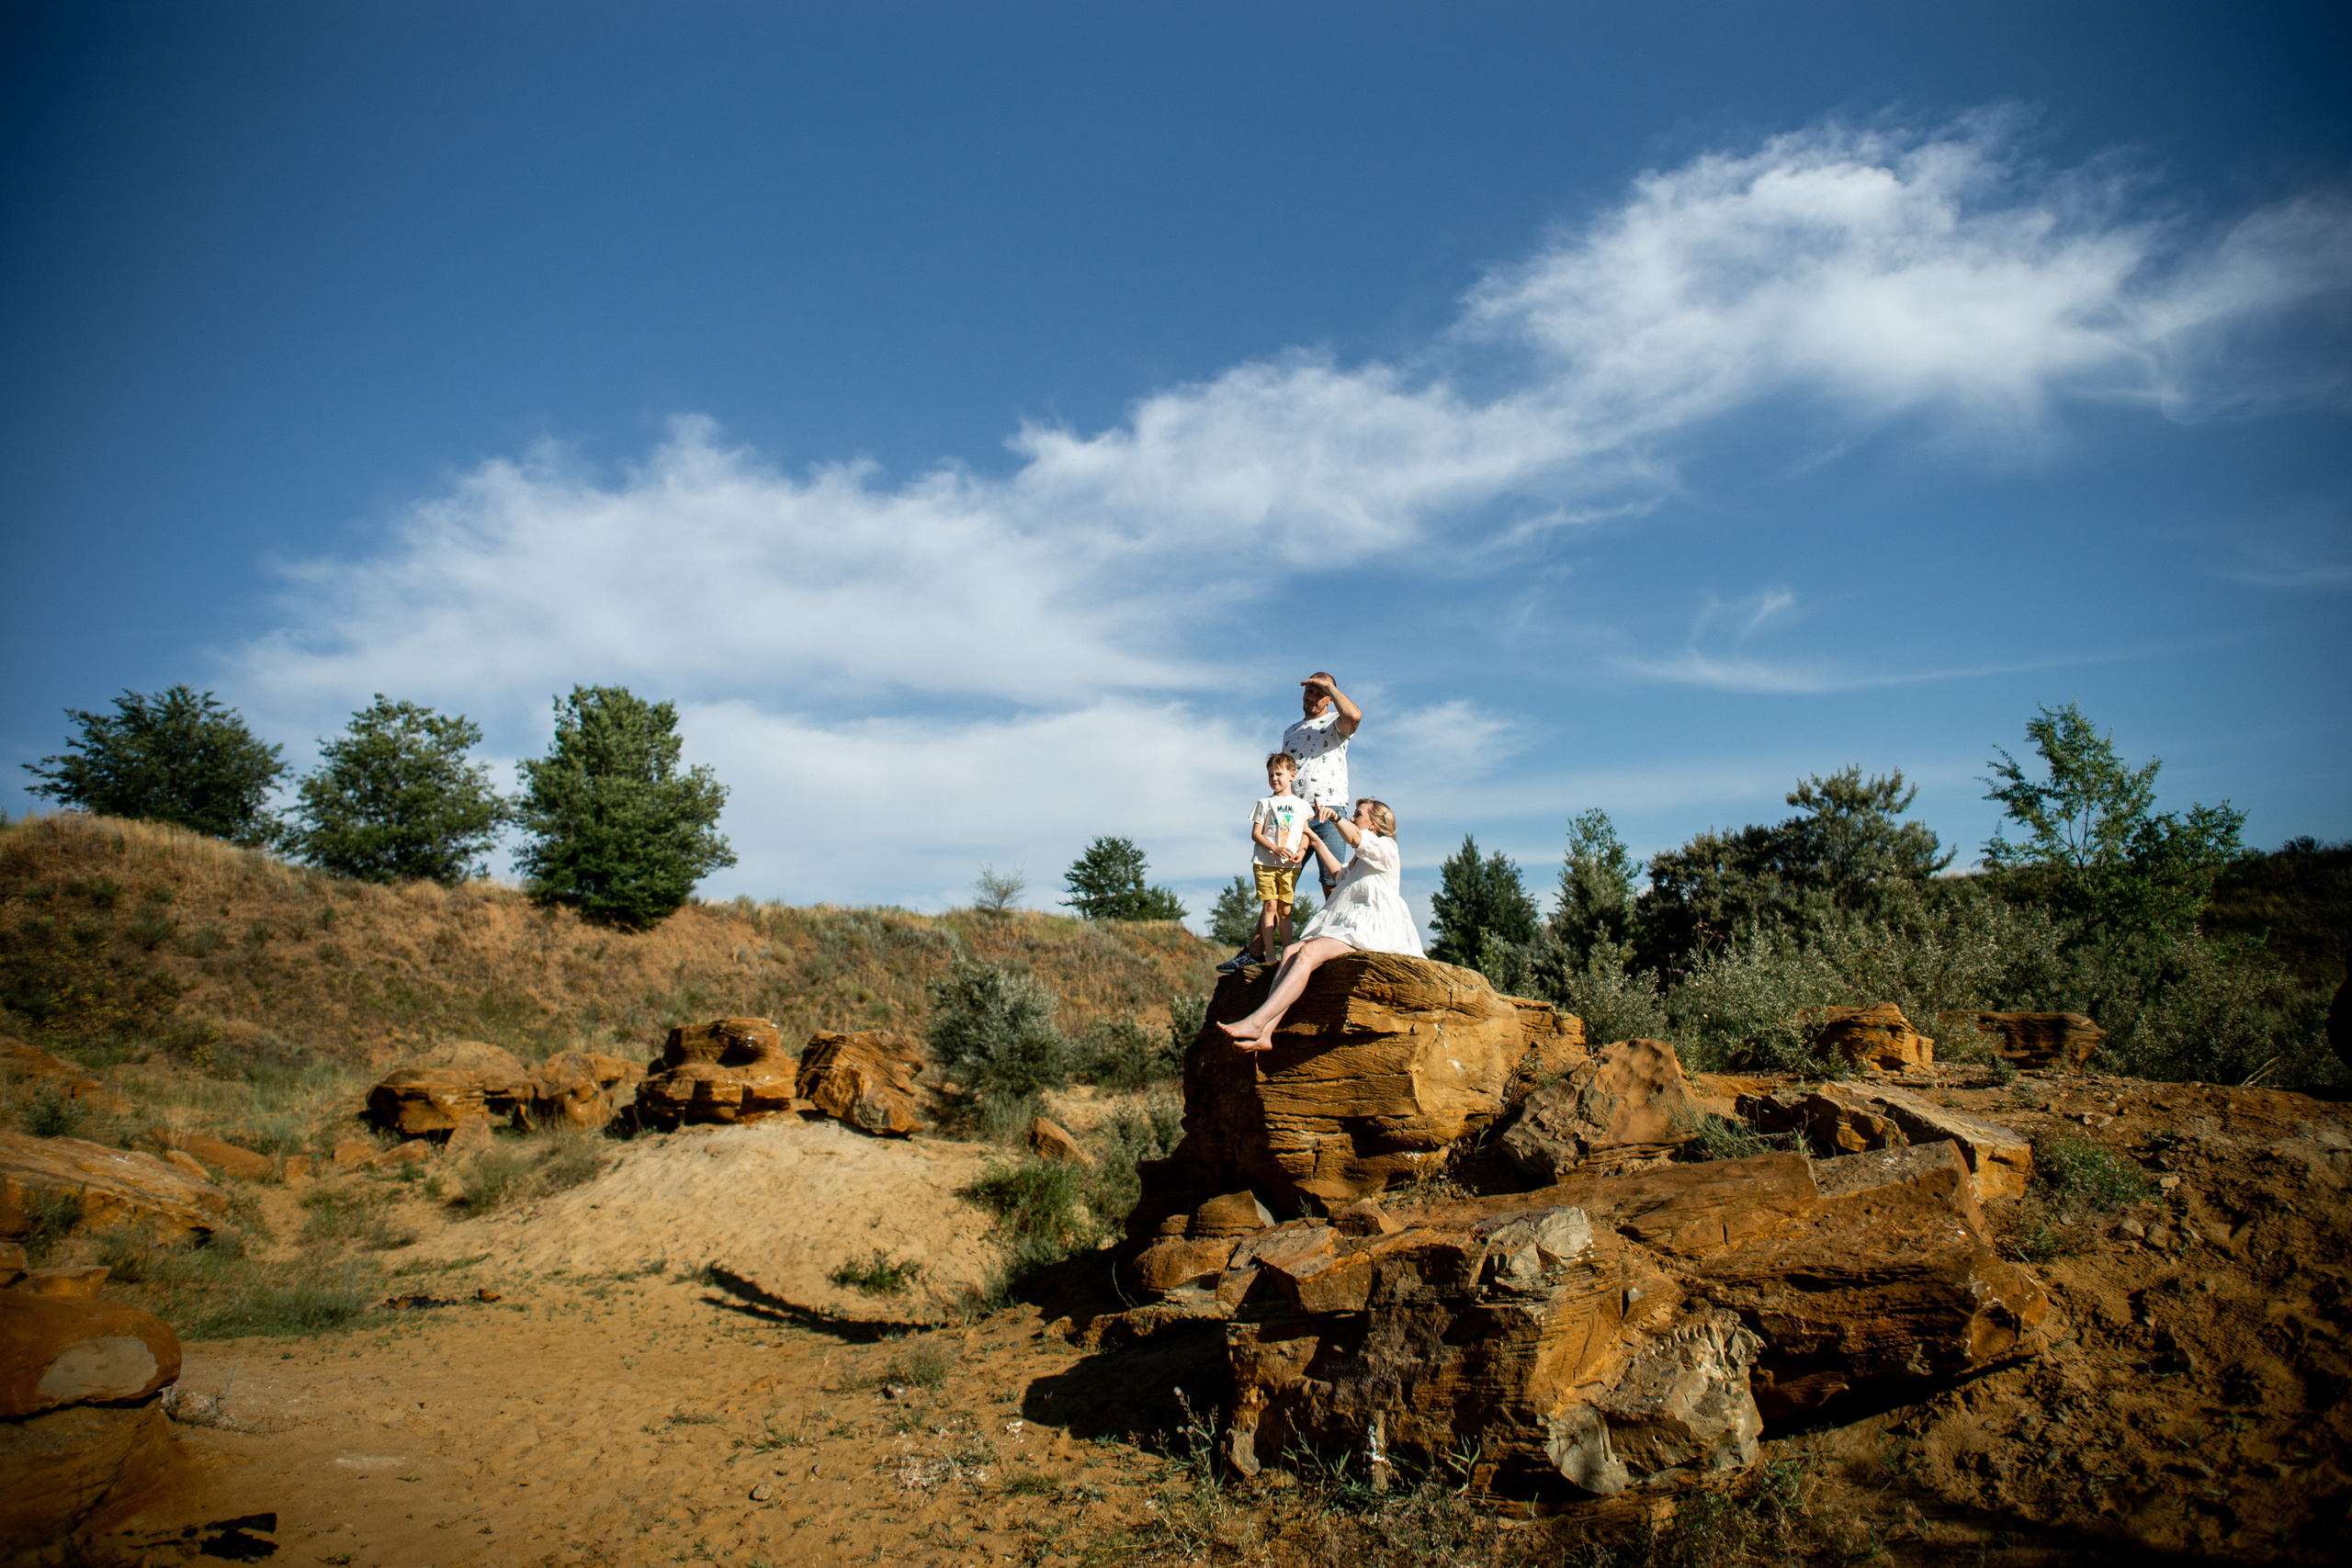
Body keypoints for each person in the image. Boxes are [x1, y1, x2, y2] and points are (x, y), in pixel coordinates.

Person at [1215, 797, 1420, 1052]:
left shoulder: (1386, 847)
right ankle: (1265, 1033)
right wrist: (1314, 839)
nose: (1353, 818)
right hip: (1349, 923)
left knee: (1308, 953)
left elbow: (1355, 838)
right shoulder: (1360, 860)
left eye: (1358, 814)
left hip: (1369, 926)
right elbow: (1339, 876)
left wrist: (1335, 817)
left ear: (1375, 824)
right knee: (1291, 951)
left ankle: (1257, 1022)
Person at [1283, 673, 1363, 902]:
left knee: (1333, 885)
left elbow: (1355, 715)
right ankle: (1268, 939)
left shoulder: (1336, 722)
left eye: (1320, 694)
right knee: (1281, 888)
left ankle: (1335, 936)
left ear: (1329, 699)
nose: (1313, 698)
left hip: (1329, 812)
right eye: (1310, 691)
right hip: (1296, 816)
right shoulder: (1290, 732)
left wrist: (1329, 686)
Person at [1241, 752, 1310, 965]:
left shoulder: (1302, 805)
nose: (1274, 778)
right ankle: (1270, 956)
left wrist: (1302, 851)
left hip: (1290, 866)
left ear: (1292, 775)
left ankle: (1288, 954)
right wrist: (1274, 848)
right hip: (1265, 863)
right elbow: (1256, 833)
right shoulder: (1264, 803)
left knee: (1286, 910)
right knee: (1270, 906)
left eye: (1278, 774)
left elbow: (1306, 833)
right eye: (1270, 775)